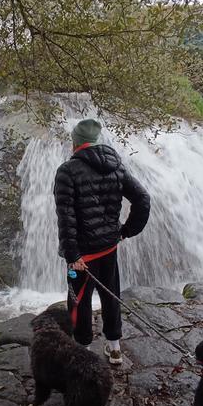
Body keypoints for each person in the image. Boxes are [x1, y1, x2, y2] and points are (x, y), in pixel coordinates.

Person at [53, 119, 150, 365]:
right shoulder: (115, 166)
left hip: (82, 256)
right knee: (111, 294)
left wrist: (72, 255)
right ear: (96, 142)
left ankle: (82, 350)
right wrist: (127, 231)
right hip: (109, 247)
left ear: (75, 142)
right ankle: (115, 348)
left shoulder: (67, 171)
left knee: (79, 300)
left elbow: (66, 217)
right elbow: (143, 199)